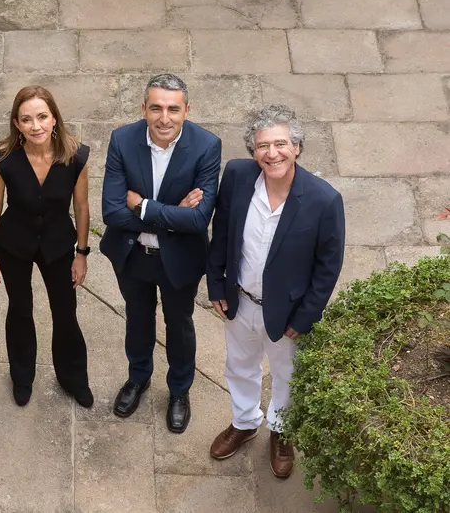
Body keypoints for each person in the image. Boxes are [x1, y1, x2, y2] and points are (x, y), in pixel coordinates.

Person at [206, 104, 345, 478]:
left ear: (297, 146)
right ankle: (245, 421)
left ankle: (281, 431)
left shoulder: (323, 200)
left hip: (287, 313)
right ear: (253, 152)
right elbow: (222, 233)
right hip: (239, 299)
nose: (272, 153)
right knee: (239, 365)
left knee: (287, 373)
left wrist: (305, 316)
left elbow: (327, 267)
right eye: (263, 146)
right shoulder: (236, 175)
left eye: (281, 144)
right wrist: (216, 282)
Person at [100, 73, 221, 433]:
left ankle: (179, 391)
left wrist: (145, 208)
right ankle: (138, 378)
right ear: (144, 109)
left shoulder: (206, 146)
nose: (164, 118)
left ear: (187, 110)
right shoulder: (122, 140)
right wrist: (174, 212)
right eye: (156, 108)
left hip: (179, 259)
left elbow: (199, 219)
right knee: (137, 319)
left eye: (173, 109)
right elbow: (111, 211)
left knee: (179, 325)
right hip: (132, 255)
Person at [0, 86, 93, 408]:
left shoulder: (76, 156)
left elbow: (83, 207)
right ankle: (22, 377)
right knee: (19, 310)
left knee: (65, 313)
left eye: (42, 117)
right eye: (27, 119)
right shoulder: (3, 161)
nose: (36, 126)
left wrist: (82, 254)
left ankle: (73, 377)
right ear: (16, 124)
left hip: (59, 245)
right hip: (14, 244)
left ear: (54, 118)